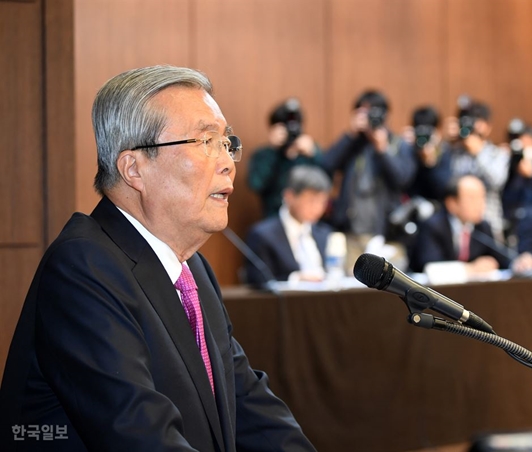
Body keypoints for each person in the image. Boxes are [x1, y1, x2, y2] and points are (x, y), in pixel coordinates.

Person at [0, 66, 316, 451]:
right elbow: (140, 435)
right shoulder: (83, 268)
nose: (228, 161)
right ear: (134, 168)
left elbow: (247, 406)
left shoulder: (191, 267)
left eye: (226, 142)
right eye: (205, 141)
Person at [322, 89, 416, 268]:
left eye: (373, 112)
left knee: (388, 287)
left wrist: (383, 150)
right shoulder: (353, 144)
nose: (369, 118)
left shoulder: (398, 145)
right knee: (352, 290)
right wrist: (350, 135)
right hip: (351, 235)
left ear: (386, 116)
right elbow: (327, 165)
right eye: (363, 113)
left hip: (388, 235)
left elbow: (403, 179)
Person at [432, 98, 509, 242]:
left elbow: (497, 181)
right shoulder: (452, 152)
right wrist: (448, 144)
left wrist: (478, 152)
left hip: (489, 221)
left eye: (476, 120)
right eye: (466, 120)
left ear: (488, 126)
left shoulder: (497, 153)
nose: (471, 125)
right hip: (456, 224)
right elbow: (442, 183)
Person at [245, 165, 334, 285]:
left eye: (322, 202)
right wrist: (296, 279)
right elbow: (258, 281)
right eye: (311, 200)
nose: (317, 208)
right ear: (289, 196)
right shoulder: (262, 235)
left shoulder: (324, 232)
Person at [410, 175, 514, 274]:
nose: (480, 204)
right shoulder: (433, 226)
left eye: (483, 197)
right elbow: (428, 265)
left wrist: (517, 263)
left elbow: (502, 259)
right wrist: (470, 269)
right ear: (451, 203)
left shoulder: (482, 227)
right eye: (472, 198)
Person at [247, 98, 325, 218]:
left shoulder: (309, 153)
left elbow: (326, 184)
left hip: (306, 221)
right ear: (273, 129)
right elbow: (256, 184)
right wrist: (274, 152)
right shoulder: (263, 155)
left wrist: (314, 154)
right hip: (273, 221)